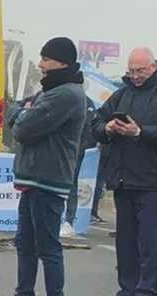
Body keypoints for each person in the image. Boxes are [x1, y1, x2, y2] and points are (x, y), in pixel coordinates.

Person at [92, 47, 157, 296]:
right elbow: (95, 123)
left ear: (154, 67)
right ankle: (127, 288)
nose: (136, 76)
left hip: (153, 182)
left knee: (147, 242)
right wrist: (108, 127)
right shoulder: (120, 95)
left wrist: (140, 132)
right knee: (125, 243)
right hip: (123, 180)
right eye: (131, 71)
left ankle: (146, 290)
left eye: (141, 71)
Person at [9, 37, 88, 296]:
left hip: (48, 179)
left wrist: (23, 114)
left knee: (47, 247)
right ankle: (24, 291)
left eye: (45, 59)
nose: (40, 64)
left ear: (62, 62)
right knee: (25, 243)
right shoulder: (49, 91)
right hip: (32, 178)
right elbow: (19, 110)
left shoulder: (66, 94)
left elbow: (23, 127)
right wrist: (23, 111)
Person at [61, 94, 98, 238]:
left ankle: (68, 221)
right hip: (53, 151)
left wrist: (87, 145)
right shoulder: (48, 95)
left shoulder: (84, 100)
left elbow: (89, 125)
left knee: (71, 184)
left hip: (74, 150)